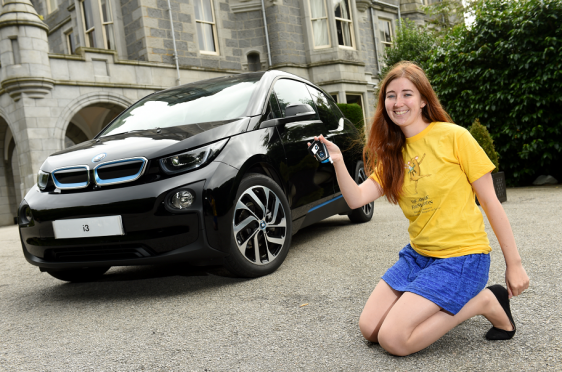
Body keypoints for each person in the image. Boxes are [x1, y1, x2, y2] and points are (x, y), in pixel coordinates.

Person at [311, 61, 529, 356]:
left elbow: (491, 202)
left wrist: (513, 264)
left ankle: (484, 301)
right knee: (370, 329)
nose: (398, 103)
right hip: (419, 257)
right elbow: (356, 199)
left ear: (424, 99)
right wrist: (337, 160)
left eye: (407, 94)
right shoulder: (392, 155)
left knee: (394, 340)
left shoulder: (455, 137)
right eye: (390, 95)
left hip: (461, 257)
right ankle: (450, 298)